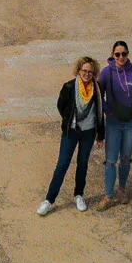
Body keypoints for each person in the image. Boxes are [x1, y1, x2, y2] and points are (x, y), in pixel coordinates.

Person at [38, 55, 103, 215]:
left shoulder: (97, 88)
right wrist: (69, 120)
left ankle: (79, 195)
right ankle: (49, 200)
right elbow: (61, 105)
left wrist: (100, 134)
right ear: (79, 71)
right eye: (84, 71)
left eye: (90, 72)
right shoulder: (69, 87)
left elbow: (100, 111)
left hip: (89, 132)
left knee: (83, 164)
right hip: (71, 132)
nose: (87, 74)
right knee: (62, 164)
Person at [95, 39, 132, 206]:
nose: (121, 57)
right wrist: (107, 111)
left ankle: (122, 188)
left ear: (128, 54)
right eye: (117, 54)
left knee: (125, 158)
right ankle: (108, 195)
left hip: (131, 123)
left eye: (124, 54)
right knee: (110, 160)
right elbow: (98, 94)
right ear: (112, 55)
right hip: (114, 123)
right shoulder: (106, 72)